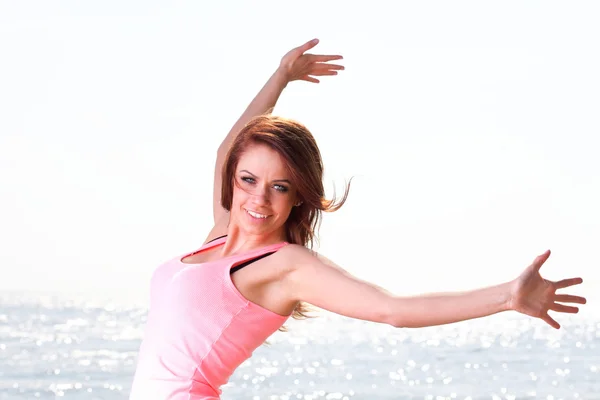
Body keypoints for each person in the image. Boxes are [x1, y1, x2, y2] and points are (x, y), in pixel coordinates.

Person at [129, 39, 586, 400]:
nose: (260, 199)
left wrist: (507, 295)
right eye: (249, 179)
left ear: (297, 197)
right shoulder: (219, 235)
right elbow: (225, 151)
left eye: (280, 187)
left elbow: (392, 310)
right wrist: (281, 77)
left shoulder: (284, 266)